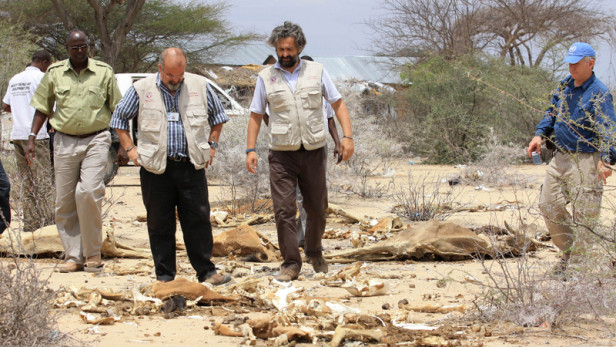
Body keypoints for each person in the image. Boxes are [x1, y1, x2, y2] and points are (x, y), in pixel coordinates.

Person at [110, 47, 231, 285]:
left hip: (191, 166)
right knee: (159, 222)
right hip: (156, 169)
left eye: (179, 76)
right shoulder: (141, 89)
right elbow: (118, 119)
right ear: (160, 69)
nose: (175, 81)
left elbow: (218, 118)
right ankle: (165, 276)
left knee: (198, 220)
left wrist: (212, 145)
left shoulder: (200, 85)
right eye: (170, 76)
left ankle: (206, 271)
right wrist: (130, 148)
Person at [246, 21, 354, 282]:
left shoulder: (317, 71)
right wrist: (250, 148)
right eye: (280, 49)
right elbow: (256, 114)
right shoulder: (266, 76)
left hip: (314, 152)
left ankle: (315, 251)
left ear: (300, 47)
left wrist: (347, 137)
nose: (284, 54)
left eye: (289, 49)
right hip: (282, 154)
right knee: (284, 210)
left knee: (317, 207)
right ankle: (291, 263)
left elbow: (337, 104)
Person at [27, 30, 122, 273]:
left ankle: (92, 253)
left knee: (89, 191)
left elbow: (118, 109)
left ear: (88, 46)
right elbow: (41, 107)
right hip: (63, 141)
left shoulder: (103, 72)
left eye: (83, 47)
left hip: (96, 139)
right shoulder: (54, 73)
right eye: (74, 48)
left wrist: (123, 144)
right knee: (64, 201)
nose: (79, 51)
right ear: (67, 49)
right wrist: (31, 138)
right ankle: (73, 255)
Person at [527, 42, 616, 273]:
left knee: (585, 215)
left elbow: (609, 129)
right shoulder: (564, 87)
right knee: (548, 204)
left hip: (586, 160)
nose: (572, 68)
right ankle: (570, 254)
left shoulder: (599, 93)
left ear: (591, 63)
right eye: (570, 63)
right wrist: (539, 134)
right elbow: (551, 112)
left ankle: (579, 266)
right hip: (560, 158)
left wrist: (607, 159)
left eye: (576, 63)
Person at [2, 50, 54, 232]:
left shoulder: (15, 79)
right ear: (44, 62)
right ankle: (48, 226)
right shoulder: (41, 78)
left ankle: (30, 225)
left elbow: (6, 105)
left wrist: (20, 109)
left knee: (27, 182)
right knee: (43, 181)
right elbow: (50, 107)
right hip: (37, 136)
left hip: (18, 135)